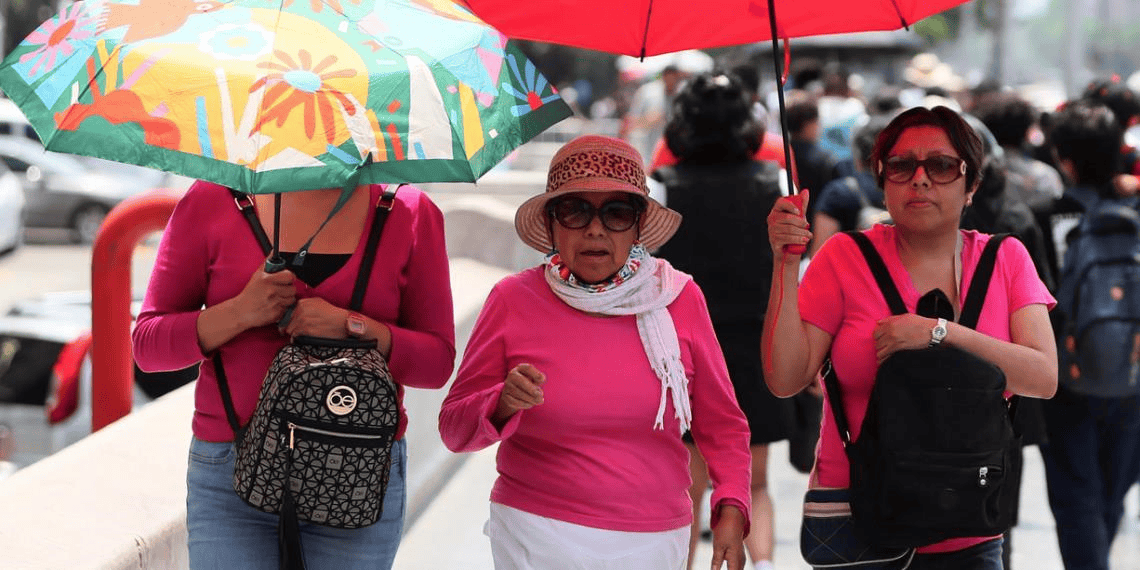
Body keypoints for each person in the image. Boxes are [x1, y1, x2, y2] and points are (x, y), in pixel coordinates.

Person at [762, 105, 1058, 569]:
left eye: (940, 166)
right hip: (855, 518)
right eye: (900, 166)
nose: (920, 179)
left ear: (971, 184)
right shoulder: (844, 257)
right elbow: (784, 378)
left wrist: (939, 332)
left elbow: (1042, 376)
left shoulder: (1006, 259)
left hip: (967, 524)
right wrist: (783, 264)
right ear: (881, 180)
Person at [438, 135, 752, 570]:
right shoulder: (512, 299)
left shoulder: (678, 298)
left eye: (617, 213)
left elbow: (724, 426)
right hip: (533, 533)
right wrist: (501, 403)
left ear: (639, 226)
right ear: (551, 224)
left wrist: (732, 509)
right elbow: (454, 429)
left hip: (653, 540)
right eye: (575, 210)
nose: (595, 229)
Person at [132, 180, 456, 569]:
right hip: (230, 470)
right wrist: (240, 312)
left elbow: (436, 363)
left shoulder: (409, 210)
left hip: (359, 470)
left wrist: (352, 326)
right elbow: (148, 347)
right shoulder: (213, 199)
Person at [651, 72, 790, 570]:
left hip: (679, 352)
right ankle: (766, 564)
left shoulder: (661, 188)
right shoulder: (774, 183)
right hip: (756, 345)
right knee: (753, 483)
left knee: (687, 486)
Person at [1038, 101, 1140, 570]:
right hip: (1132, 371)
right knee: (1113, 488)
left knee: (1075, 494)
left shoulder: (1044, 215)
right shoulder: (1132, 212)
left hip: (1062, 374)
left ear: (1065, 159)